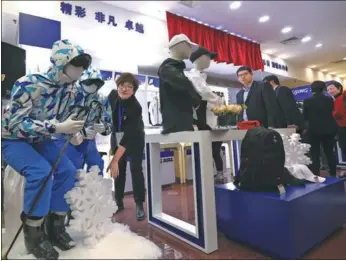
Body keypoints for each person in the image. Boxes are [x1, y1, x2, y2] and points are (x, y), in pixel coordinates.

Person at [1, 39, 91, 259]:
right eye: (76, 64)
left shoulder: (70, 89)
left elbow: (62, 118)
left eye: (82, 66)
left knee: (67, 171)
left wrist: (72, 130)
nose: (80, 70)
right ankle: (34, 234)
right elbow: (15, 124)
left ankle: (55, 226)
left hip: (41, 138)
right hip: (12, 139)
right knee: (40, 171)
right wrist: (57, 126)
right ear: (62, 63)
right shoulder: (28, 83)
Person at [53, 68, 112, 176]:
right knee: (71, 169)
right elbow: (56, 120)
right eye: (89, 82)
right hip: (66, 140)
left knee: (96, 167)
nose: (93, 85)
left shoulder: (102, 99)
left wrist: (104, 127)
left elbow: (108, 120)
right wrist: (77, 132)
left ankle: (95, 192)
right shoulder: (68, 95)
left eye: (96, 83)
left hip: (89, 141)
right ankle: (70, 192)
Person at [107, 73, 146, 221]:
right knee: (119, 170)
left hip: (134, 138)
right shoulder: (112, 96)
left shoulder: (136, 107)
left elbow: (128, 136)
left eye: (129, 87)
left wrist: (115, 159)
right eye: (122, 85)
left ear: (134, 90)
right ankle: (118, 201)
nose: (125, 89)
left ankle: (139, 204)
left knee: (136, 169)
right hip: (116, 135)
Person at [185, 46, 225, 182]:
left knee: (215, 150)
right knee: (205, 151)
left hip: (210, 122)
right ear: (200, 58)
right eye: (208, 57)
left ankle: (217, 173)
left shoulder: (201, 77)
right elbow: (204, 93)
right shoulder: (192, 76)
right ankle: (205, 177)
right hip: (201, 122)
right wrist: (219, 101)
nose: (209, 61)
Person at [158, 34, 202, 134]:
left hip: (182, 124)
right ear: (181, 45)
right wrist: (196, 99)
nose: (191, 49)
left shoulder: (175, 69)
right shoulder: (168, 69)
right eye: (189, 46)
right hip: (177, 125)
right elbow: (186, 89)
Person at [303, 81, 338, 177]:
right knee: (329, 152)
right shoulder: (329, 100)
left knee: (314, 153)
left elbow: (305, 117)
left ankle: (316, 174)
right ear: (323, 89)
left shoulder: (307, 101)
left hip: (313, 130)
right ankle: (333, 173)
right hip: (328, 129)